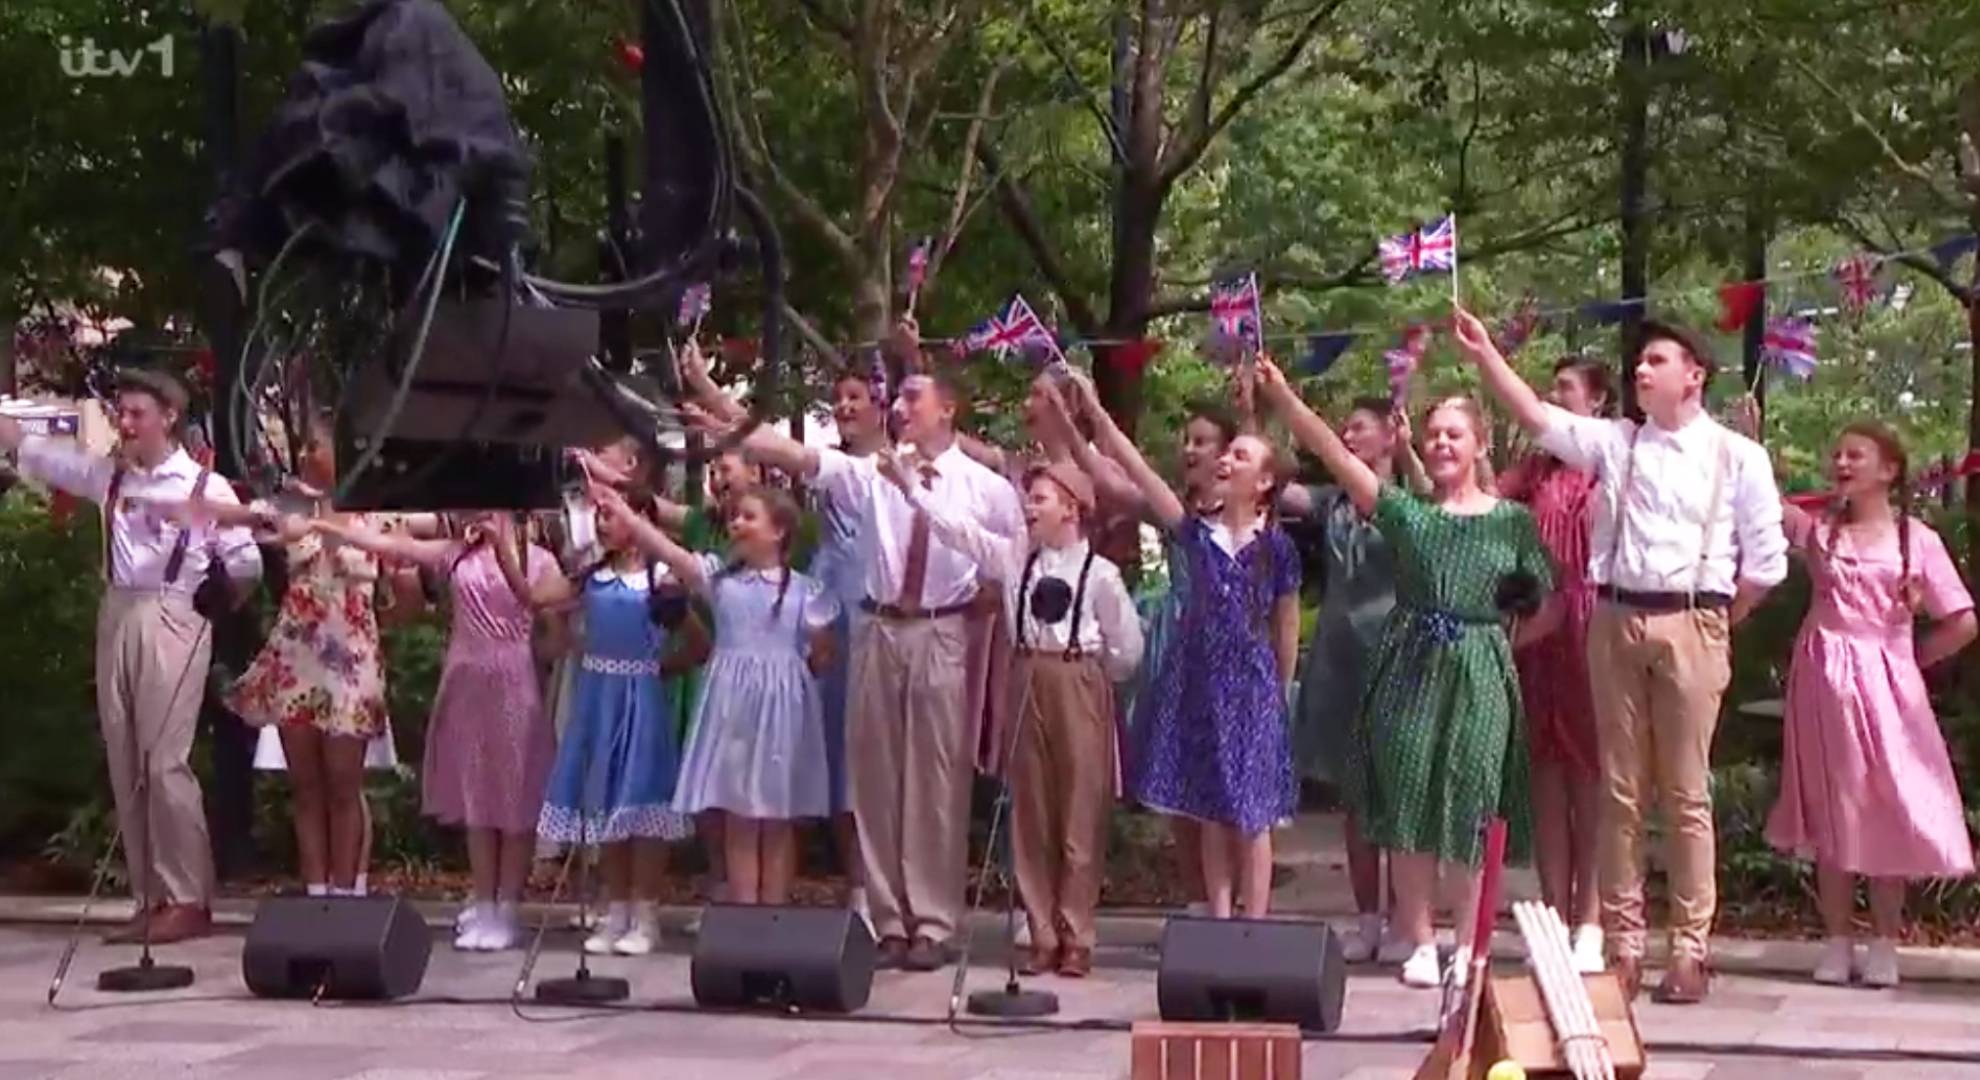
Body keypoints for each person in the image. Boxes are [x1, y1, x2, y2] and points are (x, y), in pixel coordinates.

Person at [1456, 308, 1788, 1004]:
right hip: (1613, 616)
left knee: (1687, 791)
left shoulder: (1739, 456)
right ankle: (1625, 944)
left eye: (1657, 361)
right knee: (1620, 789)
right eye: (1639, 363)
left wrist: (1714, 622)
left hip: (1694, 618)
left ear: (1694, 376)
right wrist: (1487, 352)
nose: (1642, 370)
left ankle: (1692, 948)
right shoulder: (1616, 443)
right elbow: (1540, 415)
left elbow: (1766, 563)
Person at [1258, 359, 1555, 990]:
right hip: (1410, 663)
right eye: (1434, 433)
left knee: (1473, 801)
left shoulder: (1513, 522)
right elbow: (1334, 458)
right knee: (1410, 795)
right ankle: (1418, 938)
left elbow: (1549, 604)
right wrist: (1283, 397)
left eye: (1455, 433)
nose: (1442, 443)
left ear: (1480, 444)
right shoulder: (1408, 513)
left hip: (1478, 666)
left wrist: (1499, 643)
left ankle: (1469, 939)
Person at [719, 367, 1023, 971]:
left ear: (949, 407)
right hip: (879, 626)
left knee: (935, 778)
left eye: (915, 395)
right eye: (900, 398)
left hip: (940, 628)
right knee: (876, 776)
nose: (902, 407)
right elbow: (802, 458)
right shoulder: (875, 475)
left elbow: (1012, 561)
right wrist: (720, 406)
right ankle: (888, 920)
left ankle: (933, 921)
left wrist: (985, 609)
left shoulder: (984, 487)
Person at [1, 370, 263, 944]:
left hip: (174, 612)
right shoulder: (110, 477)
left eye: (136, 413)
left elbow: (246, 561)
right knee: (125, 759)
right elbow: (41, 454)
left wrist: (222, 595)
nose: (124, 423)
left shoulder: (204, 485)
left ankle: (189, 897)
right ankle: (151, 897)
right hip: (117, 610)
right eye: (120, 413)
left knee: (164, 759)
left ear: (168, 416)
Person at [880, 449, 1143, 977]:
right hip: (1025, 672)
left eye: (1040, 498)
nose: (1028, 506)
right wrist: (911, 487)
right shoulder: (1015, 560)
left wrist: (1088, 679)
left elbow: (1127, 649)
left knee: (1078, 810)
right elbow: (957, 531)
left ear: (1071, 508)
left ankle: (1077, 930)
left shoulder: (1100, 575)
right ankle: (1040, 928)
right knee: (1031, 811)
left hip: (1076, 675)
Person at [1067, 367, 1300, 921]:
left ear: (1264, 482)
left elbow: (1285, 624)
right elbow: (1140, 472)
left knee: (1252, 810)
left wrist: (1281, 691)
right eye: (1227, 455)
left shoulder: (1277, 547)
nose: (1223, 461)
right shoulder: (1195, 534)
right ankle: (1217, 917)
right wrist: (1096, 415)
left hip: (1251, 686)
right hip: (1199, 681)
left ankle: (1255, 924)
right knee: (1211, 804)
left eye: (1238, 458)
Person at [1761, 422, 1976, 988]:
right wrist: (1754, 448)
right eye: (1837, 455)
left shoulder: (1916, 540)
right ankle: (1836, 940)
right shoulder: (1821, 533)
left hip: (1889, 689)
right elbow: (1769, 506)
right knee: (1832, 805)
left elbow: (1961, 621)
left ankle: (1884, 940)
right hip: (1823, 684)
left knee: (1890, 804)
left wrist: (1908, 657)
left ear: (1889, 470)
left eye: (1856, 455)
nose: (1842, 464)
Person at [159, 414, 393, 899]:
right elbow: (242, 517)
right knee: (306, 787)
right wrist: (188, 508)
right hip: (297, 658)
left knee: (344, 787)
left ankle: (349, 898)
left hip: (351, 662)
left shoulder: (379, 512)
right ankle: (315, 895)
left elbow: (421, 555)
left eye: (314, 446)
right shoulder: (290, 510)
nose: (305, 455)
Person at [319, 513, 564, 951]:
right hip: (466, 679)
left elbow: (553, 621)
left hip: (513, 678)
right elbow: (394, 546)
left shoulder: (540, 561)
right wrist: (329, 527)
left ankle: (508, 907)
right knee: (477, 798)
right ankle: (485, 904)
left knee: (514, 798)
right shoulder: (457, 555)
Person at [595, 483, 838, 906]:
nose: (736, 523)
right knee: (739, 815)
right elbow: (671, 554)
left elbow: (823, 652)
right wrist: (629, 516)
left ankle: (773, 915)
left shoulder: (805, 591)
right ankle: (746, 916)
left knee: (778, 818)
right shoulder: (720, 581)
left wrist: (792, 678)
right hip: (734, 709)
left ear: (779, 530)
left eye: (749, 516)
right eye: (735, 517)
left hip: (782, 712)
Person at [535, 488, 705, 955]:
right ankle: (615, 910)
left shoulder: (661, 580)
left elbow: (697, 643)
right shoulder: (590, 578)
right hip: (597, 698)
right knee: (605, 805)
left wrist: (658, 668)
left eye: (610, 516)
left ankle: (645, 912)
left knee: (641, 808)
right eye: (599, 516)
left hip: (639, 700)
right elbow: (536, 598)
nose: (601, 524)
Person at [1494, 357, 1613, 974]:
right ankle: (1554, 913)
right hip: (1540, 623)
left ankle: (1592, 917)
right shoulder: (1535, 469)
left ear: (1595, 401)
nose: (1554, 395)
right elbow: (1480, 502)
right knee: (1545, 771)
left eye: (1567, 388)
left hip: (1593, 621)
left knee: (1590, 776)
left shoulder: (1610, 460)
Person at [1282, 397, 1406, 963]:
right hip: (1339, 654)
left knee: (1399, 793)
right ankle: (1368, 919)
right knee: (1354, 797)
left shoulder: (1407, 503)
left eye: (1359, 427)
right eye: (1344, 427)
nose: (1347, 435)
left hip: (1393, 651)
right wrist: (1257, 424)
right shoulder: (1332, 502)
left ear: (1389, 437)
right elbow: (1280, 488)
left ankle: (1411, 919)